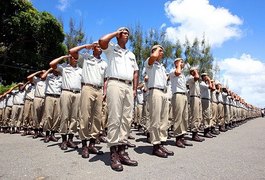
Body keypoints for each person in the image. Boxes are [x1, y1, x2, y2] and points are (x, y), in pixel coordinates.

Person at [99, 27, 139, 171]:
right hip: (115, 83)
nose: (126, 34)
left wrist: (134, 89)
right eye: (123, 32)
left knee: (126, 119)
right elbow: (102, 41)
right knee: (115, 118)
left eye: (128, 33)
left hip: (128, 87)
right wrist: (116, 32)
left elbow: (136, 72)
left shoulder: (131, 54)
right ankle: (114, 153)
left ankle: (122, 151)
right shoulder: (111, 49)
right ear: (118, 36)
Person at [69, 42, 107, 158]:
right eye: (98, 46)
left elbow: (105, 79)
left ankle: (92, 143)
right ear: (93, 48)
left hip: (99, 90)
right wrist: (86, 46)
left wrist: (104, 92)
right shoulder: (86, 57)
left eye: (101, 47)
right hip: (87, 88)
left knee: (97, 118)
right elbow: (72, 51)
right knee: (84, 117)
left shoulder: (105, 63)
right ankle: (84, 145)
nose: (100, 48)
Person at [144, 44, 174, 158]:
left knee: (163, 120)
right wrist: (156, 50)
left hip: (163, 92)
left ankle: (161, 142)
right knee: (155, 120)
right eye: (160, 51)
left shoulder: (161, 66)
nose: (162, 52)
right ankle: (155, 146)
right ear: (154, 51)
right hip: (155, 91)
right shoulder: (150, 62)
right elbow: (153, 56)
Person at [50, 54, 82, 150]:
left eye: (77, 57)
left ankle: (70, 139)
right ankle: (64, 140)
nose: (76, 59)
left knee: (74, 117)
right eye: (73, 57)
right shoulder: (64, 68)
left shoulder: (81, 70)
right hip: (66, 92)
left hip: (77, 93)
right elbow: (52, 64)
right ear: (69, 58)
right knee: (64, 116)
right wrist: (63, 57)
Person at [169, 58, 193, 148]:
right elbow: (177, 72)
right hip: (177, 95)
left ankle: (182, 137)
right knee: (178, 117)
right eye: (180, 62)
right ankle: (178, 138)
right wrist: (178, 64)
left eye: (182, 62)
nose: (182, 63)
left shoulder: (182, 75)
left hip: (184, 96)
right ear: (176, 63)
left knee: (184, 117)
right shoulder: (173, 72)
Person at [41, 67, 62, 143]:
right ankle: (47, 134)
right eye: (55, 68)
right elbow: (42, 77)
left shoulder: (61, 78)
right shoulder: (48, 76)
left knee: (56, 116)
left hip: (58, 97)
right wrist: (49, 69)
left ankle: (53, 134)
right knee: (48, 116)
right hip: (49, 96)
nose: (57, 69)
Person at [27, 70, 47, 138]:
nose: (43, 74)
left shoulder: (48, 80)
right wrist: (38, 72)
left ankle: (41, 130)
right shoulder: (37, 80)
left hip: (45, 98)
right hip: (37, 98)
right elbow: (29, 77)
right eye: (42, 73)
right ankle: (36, 130)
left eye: (44, 73)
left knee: (43, 115)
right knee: (36, 114)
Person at [187, 67, 205, 142]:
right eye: (196, 70)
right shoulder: (191, 78)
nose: (197, 71)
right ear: (192, 72)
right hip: (194, 97)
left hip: (198, 97)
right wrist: (194, 72)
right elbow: (197, 76)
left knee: (198, 116)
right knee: (195, 116)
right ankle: (194, 134)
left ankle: (196, 132)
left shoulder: (196, 80)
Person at [200, 72, 215, 138]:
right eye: (206, 76)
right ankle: (206, 132)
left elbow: (212, 88)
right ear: (203, 77)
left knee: (209, 115)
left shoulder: (205, 84)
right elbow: (211, 87)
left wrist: (209, 81)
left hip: (207, 100)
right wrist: (209, 80)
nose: (207, 77)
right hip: (204, 100)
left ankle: (208, 130)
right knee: (206, 115)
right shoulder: (202, 84)